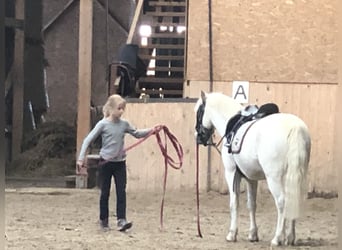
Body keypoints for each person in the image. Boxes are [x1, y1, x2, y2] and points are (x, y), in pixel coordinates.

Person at [76, 94, 156, 232]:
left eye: (123, 108)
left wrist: (152, 130)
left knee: (121, 192)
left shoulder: (124, 124)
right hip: (106, 163)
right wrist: (81, 158)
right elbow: (87, 140)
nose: (121, 111)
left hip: (120, 163)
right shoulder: (103, 124)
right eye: (119, 108)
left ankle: (121, 220)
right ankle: (104, 220)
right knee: (105, 192)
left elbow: (136, 133)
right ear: (112, 108)